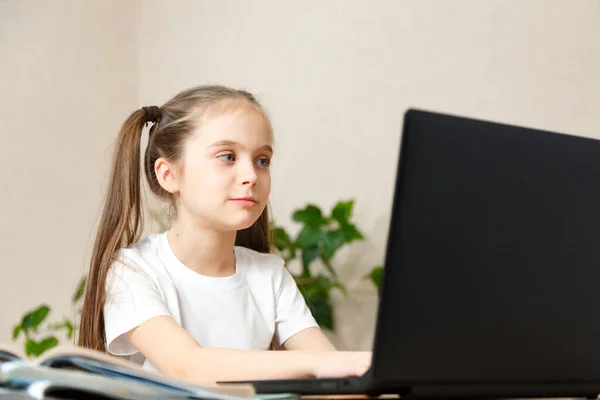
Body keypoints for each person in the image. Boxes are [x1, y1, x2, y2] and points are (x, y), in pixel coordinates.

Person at [77, 85, 371, 386]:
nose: (252, 176)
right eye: (228, 156)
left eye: (262, 160)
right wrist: (319, 364)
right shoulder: (132, 270)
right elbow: (188, 367)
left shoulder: (269, 274)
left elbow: (335, 374)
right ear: (169, 174)